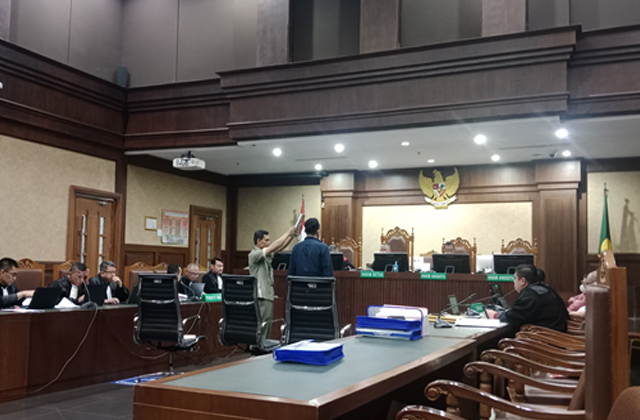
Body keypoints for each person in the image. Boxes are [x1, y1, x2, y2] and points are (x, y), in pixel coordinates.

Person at [486, 264, 568, 332]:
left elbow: (514, 317)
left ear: (522, 281)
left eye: (515, 278)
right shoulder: (546, 289)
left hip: (546, 340)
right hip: (555, 335)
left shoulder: (531, 294)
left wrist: (494, 315)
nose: (514, 281)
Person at [249, 226, 297, 340]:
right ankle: (259, 345)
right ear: (258, 241)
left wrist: (291, 236)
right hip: (261, 295)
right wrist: (287, 233)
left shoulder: (266, 253)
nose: (269, 242)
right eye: (266, 240)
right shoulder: (254, 254)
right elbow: (273, 246)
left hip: (267, 294)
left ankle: (263, 344)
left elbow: (279, 247)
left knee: (267, 323)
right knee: (262, 324)